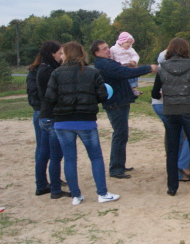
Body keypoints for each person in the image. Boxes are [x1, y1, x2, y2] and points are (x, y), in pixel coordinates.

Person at [43, 41, 119, 206]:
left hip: (63, 122)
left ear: (67, 55)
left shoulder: (56, 73)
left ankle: (76, 195)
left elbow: (49, 97)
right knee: (96, 157)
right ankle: (102, 193)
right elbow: (103, 95)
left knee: (70, 159)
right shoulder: (92, 73)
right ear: (81, 54)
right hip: (85, 120)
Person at [151, 37, 190, 197]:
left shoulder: (162, 68)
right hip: (189, 110)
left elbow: (154, 92)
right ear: (186, 50)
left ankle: (172, 187)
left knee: (172, 150)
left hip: (171, 111)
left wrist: (165, 94)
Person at [91, 39, 157, 179]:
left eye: (107, 47)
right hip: (115, 103)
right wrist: (148, 68)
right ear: (96, 53)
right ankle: (116, 168)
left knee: (122, 134)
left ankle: (119, 164)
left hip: (118, 102)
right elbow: (124, 72)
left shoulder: (106, 62)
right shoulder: (104, 64)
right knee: (120, 134)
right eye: (104, 49)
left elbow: (122, 70)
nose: (108, 50)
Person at [27, 41, 67, 198]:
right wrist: (42, 107)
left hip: (44, 113)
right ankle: (50, 186)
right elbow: (39, 94)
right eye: (60, 52)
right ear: (52, 54)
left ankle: (44, 184)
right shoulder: (44, 70)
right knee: (51, 152)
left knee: (45, 151)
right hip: (46, 114)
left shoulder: (48, 68)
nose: (61, 55)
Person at [151, 49, 190, 182]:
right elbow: (158, 92)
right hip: (168, 105)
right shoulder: (168, 70)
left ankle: (179, 170)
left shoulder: (166, 70)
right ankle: (180, 169)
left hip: (165, 105)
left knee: (177, 135)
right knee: (183, 135)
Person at [109, 32, 142, 97]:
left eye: (130, 42)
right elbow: (111, 57)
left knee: (134, 72)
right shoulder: (113, 49)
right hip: (119, 66)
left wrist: (134, 61)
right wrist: (112, 64)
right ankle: (125, 90)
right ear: (121, 42)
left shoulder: (131, 50)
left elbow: (136, 56)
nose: (129, 44)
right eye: (127, 42)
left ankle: (133, 88)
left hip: (129, 65)